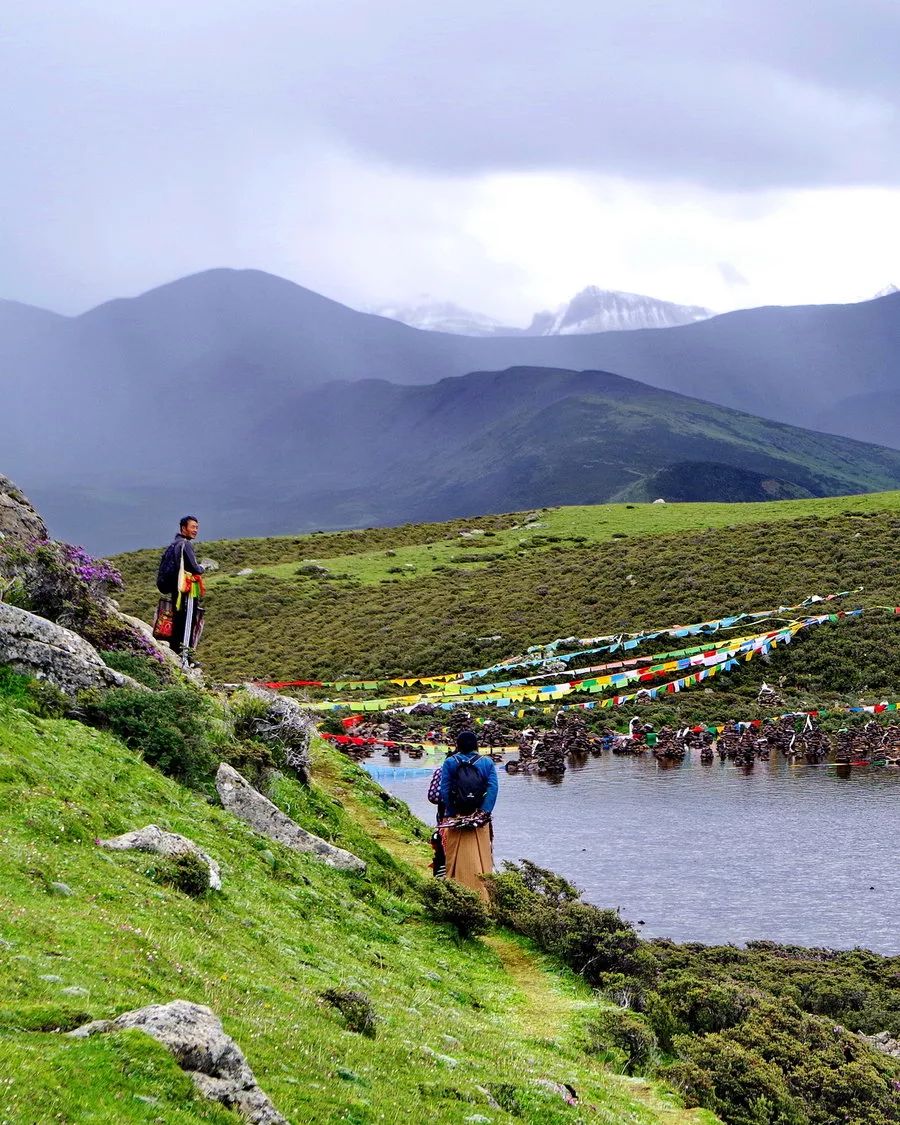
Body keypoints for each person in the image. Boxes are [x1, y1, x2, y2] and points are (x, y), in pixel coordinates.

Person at [438, 730, 498, 901]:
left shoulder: (450, 762)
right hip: (479, 820)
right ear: (476, 745)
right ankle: (483, 898)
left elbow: (445, 789)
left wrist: (452, 813)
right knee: (482, 857)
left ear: (458, 745)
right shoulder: (487, 762)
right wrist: (483, 813)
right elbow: (493, 789)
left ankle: (455, 894)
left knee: (455, 857)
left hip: (456, 818)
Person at [157, 515, 205, 664]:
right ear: (184, 528)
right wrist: (202, 567)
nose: (195, 530)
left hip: (176, 590)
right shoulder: (186, 545)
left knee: (178, 621)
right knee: (187, 622)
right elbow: (194, 568)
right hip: (187, 591)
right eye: (193, 527)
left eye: (197, 527)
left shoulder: (174, 544)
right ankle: (185, 658)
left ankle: (175, 653)